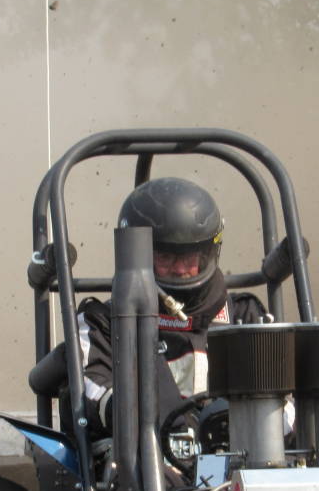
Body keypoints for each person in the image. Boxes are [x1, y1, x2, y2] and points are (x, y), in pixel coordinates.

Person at [77, 176, 265, 438]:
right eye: (166, 257)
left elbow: (284, 400)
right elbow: (89, 391)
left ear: (207, 254)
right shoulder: (104, 324)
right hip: (143, 459)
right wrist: (141, 416)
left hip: (236, 455)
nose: (179, 269)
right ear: (138, 253)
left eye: (189, 257)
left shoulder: (243, 316)